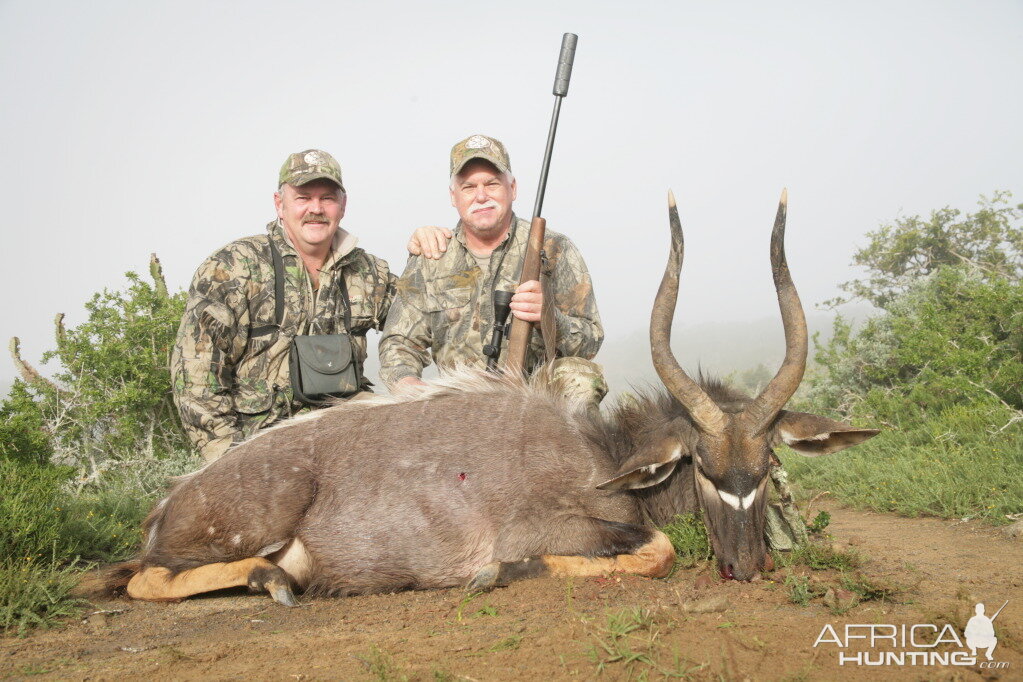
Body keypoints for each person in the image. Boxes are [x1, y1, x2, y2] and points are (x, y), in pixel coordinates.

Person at [171, 149, 395, 462]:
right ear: (280, 203)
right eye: (303, 197)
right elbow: (195, 376)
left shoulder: (370, 272)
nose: (316, 208)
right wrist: (229, 462)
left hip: (344, 440)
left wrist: (430, 245)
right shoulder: (234, 267)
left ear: (343, 205)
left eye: (327, 198)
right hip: (261, 447)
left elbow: (423, 322)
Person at [379, 134, 606, 406]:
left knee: (579, 378)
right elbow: (398, 342)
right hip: (459, 402)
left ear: (513, 188)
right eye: (469, 187)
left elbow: (590, 343)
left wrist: (549, 319)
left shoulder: (555, 248)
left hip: (537, 401)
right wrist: (409, 386)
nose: (481, 196)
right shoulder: (431, 255)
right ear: (454, 196)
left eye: (492, 184)